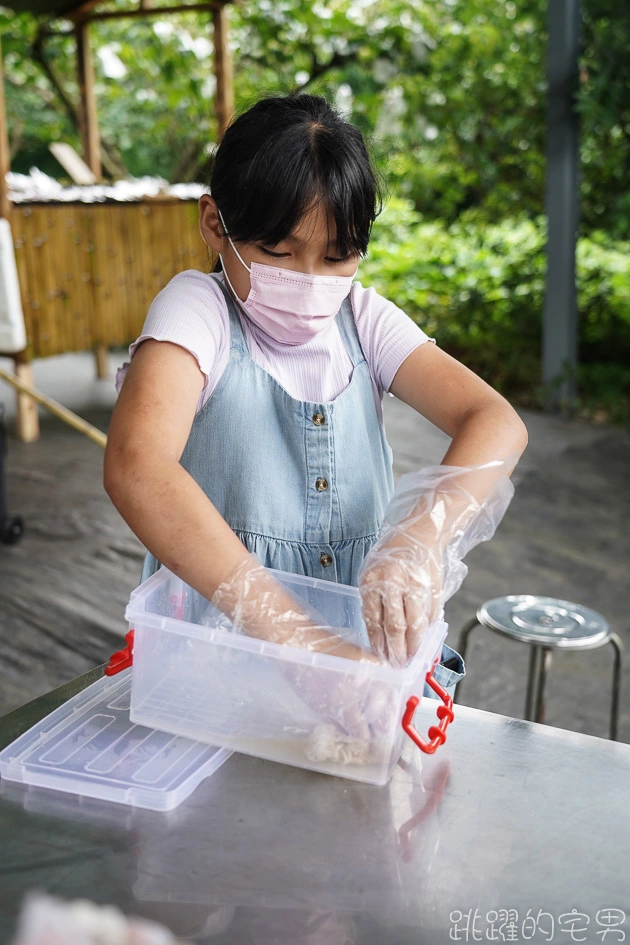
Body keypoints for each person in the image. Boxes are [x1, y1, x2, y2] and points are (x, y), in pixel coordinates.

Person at [105, 93, 528, 701]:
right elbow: (136, 465)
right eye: (278, 253)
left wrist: (417, 539)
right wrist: (296, 641)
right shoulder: (198, 312)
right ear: (214, 224)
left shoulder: (364, 319)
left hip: (362, 649)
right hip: (222, 653)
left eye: (338, 256)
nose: (309, 282)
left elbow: (495, 420)